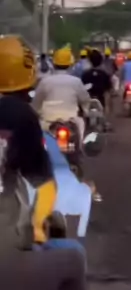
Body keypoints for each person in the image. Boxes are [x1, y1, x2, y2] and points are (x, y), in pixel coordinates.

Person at [0, 35, 87, 289]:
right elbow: (42, 183)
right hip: (8, 260)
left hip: (50, 121)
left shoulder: (41, 91)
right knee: (75, 257)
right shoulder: (22, 115)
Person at [32, 48, 91, 141]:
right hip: (71, 121)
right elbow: (85, 100)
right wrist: (86, 110)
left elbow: (36, 103)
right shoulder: (76, 81)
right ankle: (79, 147)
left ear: (53, 64)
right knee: (81, 124)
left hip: (48, 121)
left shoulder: (45, 81)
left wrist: (36, 112)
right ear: (70, 64)